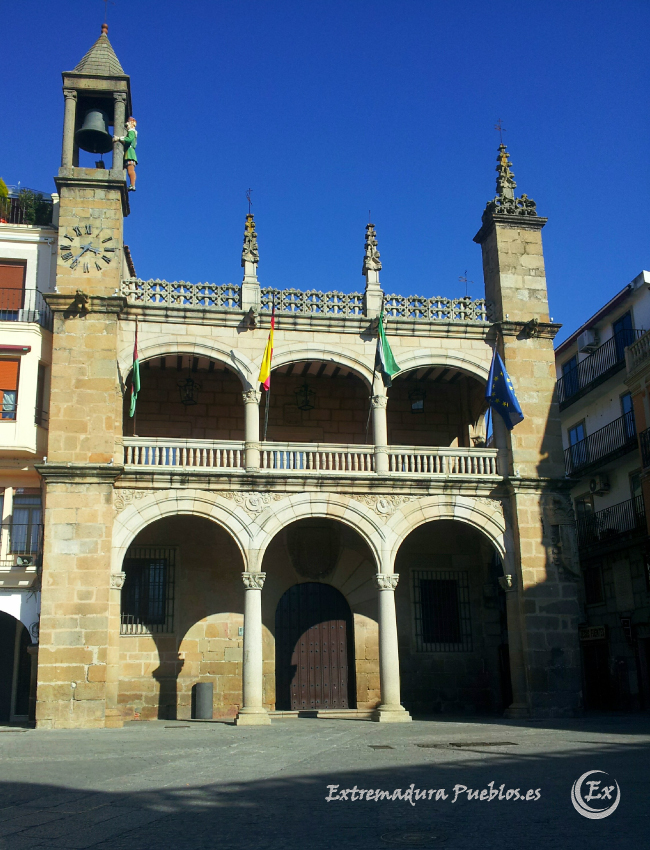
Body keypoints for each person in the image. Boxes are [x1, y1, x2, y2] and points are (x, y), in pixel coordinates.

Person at [114, 117, 138, 191]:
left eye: (128, 122)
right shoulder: (131, 131)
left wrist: (119, 138)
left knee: (130, 170)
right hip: (128, 153)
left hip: (130, 153)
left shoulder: (131, 131)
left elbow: (129, 139)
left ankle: (132, 185)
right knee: (125, 169)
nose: (126, 124)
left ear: (131, 123)